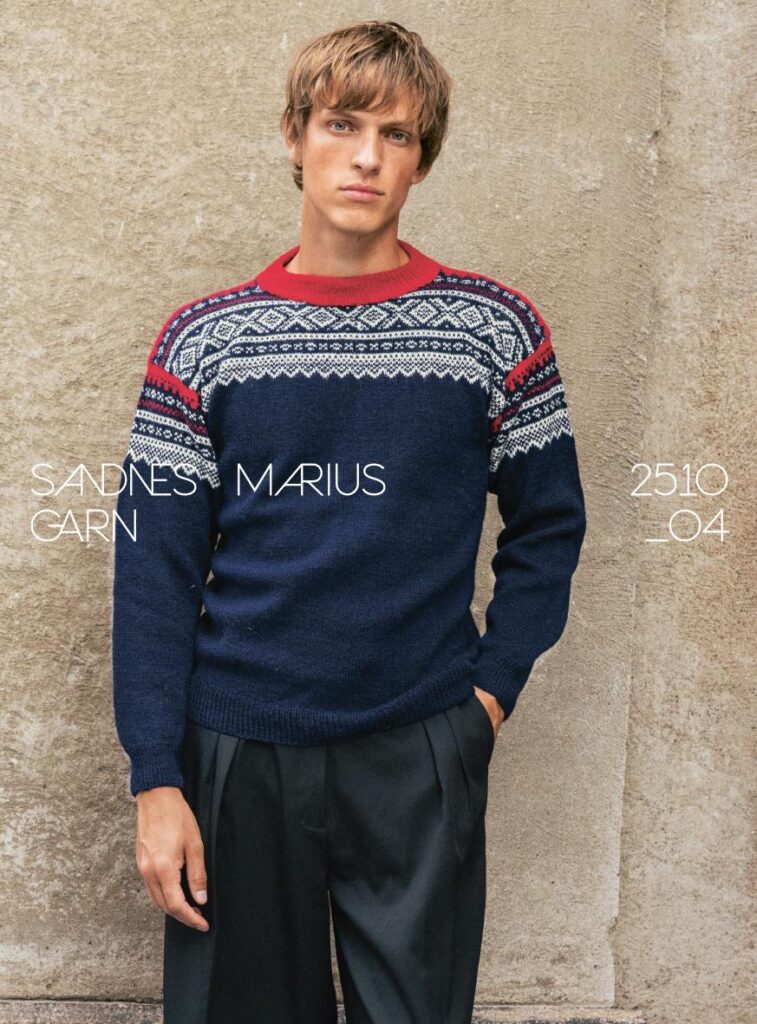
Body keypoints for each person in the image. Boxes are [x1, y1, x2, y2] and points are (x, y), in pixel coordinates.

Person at [111, 18, 587, 1024]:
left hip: (419, 745)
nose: (367, 156)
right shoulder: (203, 342)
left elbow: (548, 527)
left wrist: (486, 699)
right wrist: (157, 777)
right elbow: (154, 567)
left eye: (397, 134)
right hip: (237, 751)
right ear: (294, 134)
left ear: (422, 158)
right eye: (341, 124)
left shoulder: (492, 332)